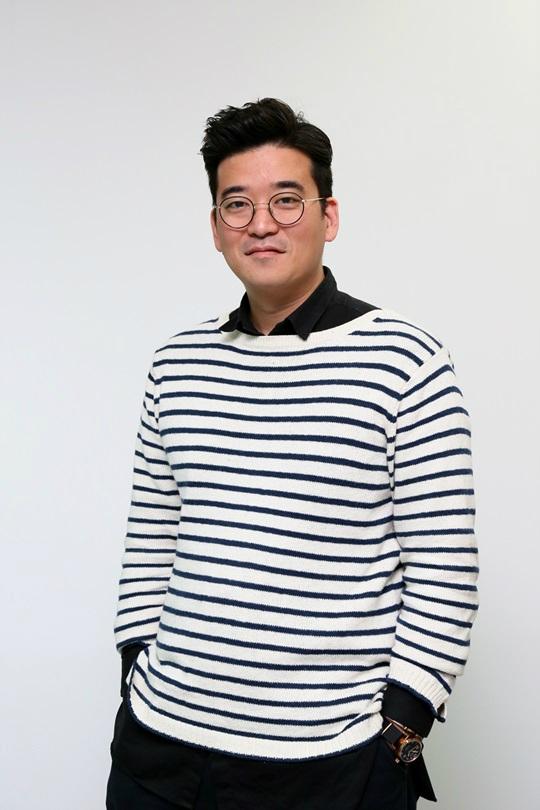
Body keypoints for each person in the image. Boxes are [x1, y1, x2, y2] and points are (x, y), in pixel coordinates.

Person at [106, 98, 478, 809]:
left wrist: (401, 724)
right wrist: (135, 664)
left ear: (328, 216)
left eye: (286, 199)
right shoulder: (176, 364)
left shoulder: (405, 359)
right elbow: (152, 534)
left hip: (331, 762)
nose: (261, 223)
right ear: (216, 227)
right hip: (161, 746)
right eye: (237, 204)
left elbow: (445, 566)